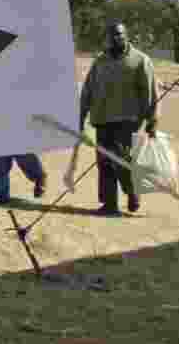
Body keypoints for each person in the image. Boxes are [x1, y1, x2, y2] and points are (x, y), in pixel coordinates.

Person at [65, 22, 159, 217]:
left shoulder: (141, 60)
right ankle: (110, 205)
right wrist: (80, 116)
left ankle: (132, 191)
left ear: (126, 36)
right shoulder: (100, 61)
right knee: (104, 162)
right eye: (111, 36)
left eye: (118, 34)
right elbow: (88, 91)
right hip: (102, 119)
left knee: (120, 160)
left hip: (128, 119)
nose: (114, 38)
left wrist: (152, 119)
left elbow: (150, 92)